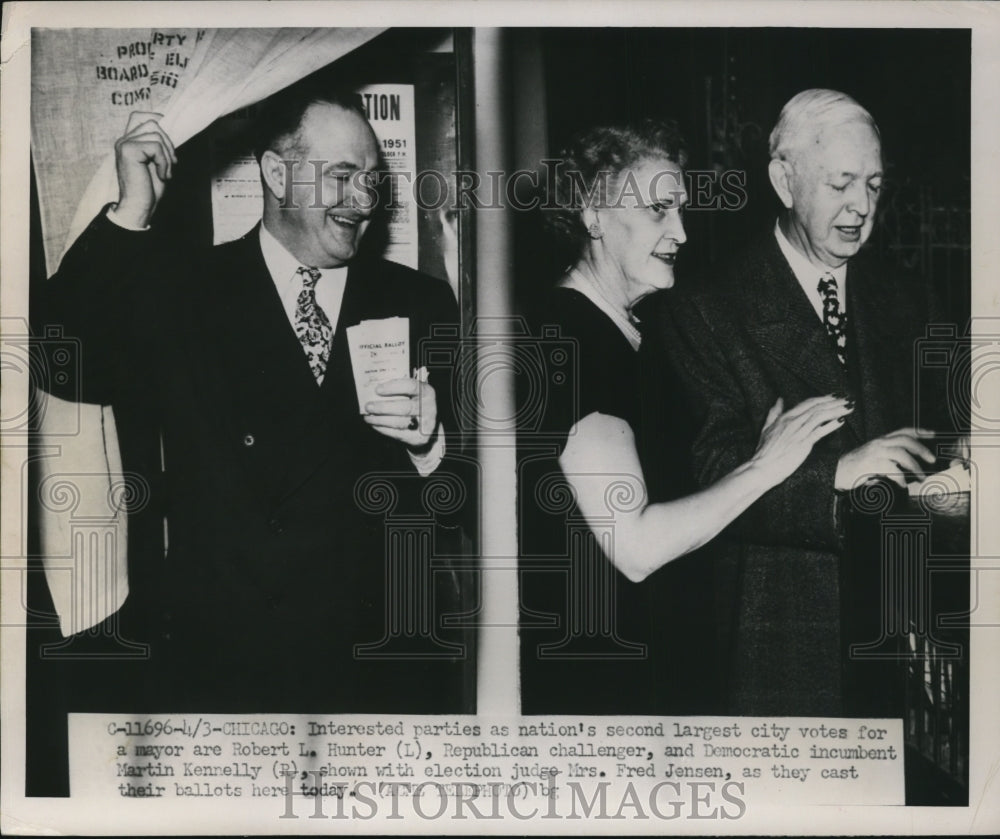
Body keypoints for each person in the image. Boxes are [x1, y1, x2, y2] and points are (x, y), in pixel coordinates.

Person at [31, 82, 470, 712]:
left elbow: (464, 501)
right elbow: (60, 362)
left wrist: (433, 447)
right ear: (276, 173)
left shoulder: (420, 303)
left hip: (374, 671)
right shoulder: (188, 292)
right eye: (341, 175)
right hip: (223, 669)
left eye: (371, 179)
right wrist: (130, 215)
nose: (362, 200)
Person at [643, 89, 965, 716]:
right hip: (782, 638)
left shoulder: (909, 298)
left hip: (899, 642)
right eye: (841, 183)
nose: (862, 207)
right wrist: (837, 472)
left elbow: (942, 444)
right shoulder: (704, 307)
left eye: (874, 184)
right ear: (783, 182)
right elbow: (708, 471)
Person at [518, 120, 853, 715]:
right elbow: (637, 544)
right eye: (658, 210)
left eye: (682, 210)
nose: (681, 232)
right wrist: (764, 466)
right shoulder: (566, 340)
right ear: (593, 213)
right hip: (604, 690)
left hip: (649, 673)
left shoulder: (637, 334)